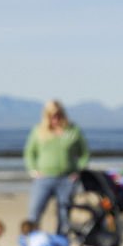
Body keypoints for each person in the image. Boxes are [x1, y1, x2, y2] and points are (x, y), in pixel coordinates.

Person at [23, 100, 90, 236]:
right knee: (34, 212)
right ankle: (31, 245)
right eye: (51, 115)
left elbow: (84, 153)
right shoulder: (38, 131)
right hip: (43, 178)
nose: (55, 119)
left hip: (67, 179)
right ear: (46, 116)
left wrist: (78, 171)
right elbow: (29, 152)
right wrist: (33, 170)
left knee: (64, 215)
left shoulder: (73, 130)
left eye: (58, 115)